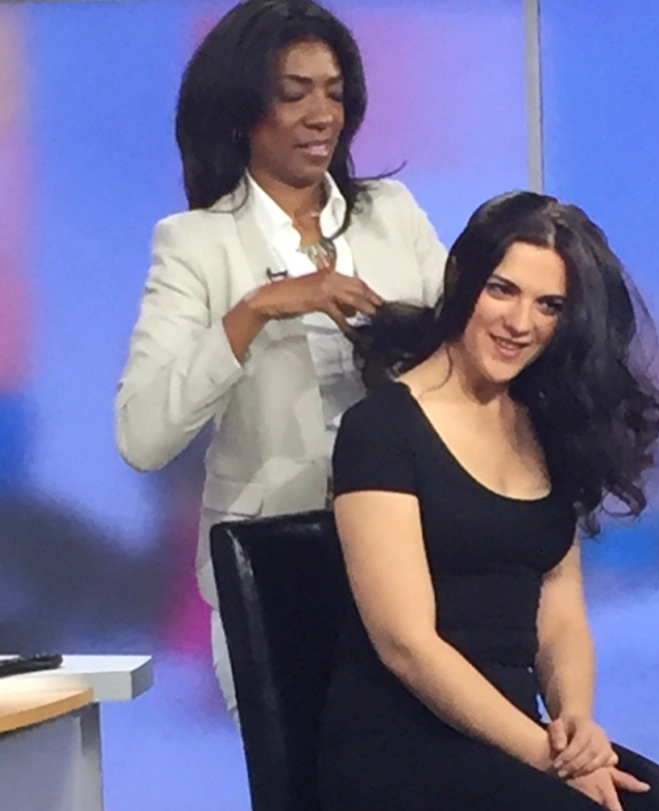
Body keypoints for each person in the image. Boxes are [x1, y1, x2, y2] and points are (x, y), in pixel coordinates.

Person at [319, 191, 659, 811]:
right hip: (399, 747)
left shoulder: (544, 425)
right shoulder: (380, 430)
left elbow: (560, 619)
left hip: (519, 734)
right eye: (503, 291)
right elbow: (407, 644)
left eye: (549, 305)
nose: (520, 323)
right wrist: (544, 759)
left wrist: (576, 726)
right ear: (463, 280)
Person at [115, 0, 446, 717]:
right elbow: (142, 435)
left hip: (415, 553)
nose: (322, 114)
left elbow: (461, 354)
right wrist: (257, 310)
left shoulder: (394, 212)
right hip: (278, 568)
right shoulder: (195, 244)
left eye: (335, 92)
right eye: (294, 93)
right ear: (240, 110)